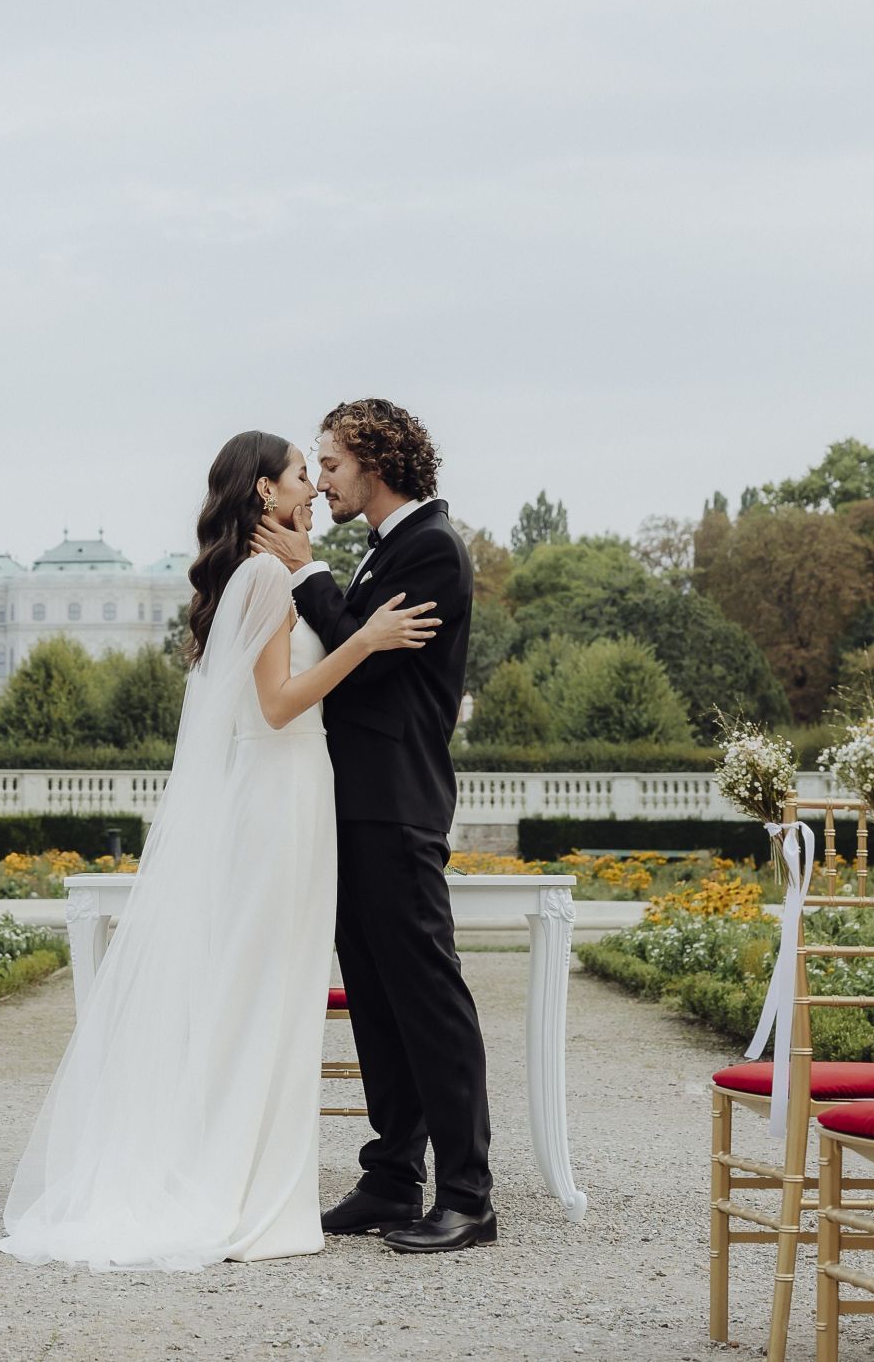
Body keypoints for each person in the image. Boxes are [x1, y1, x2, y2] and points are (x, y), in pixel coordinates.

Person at [0, 429, 441, 1271]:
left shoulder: (255, 571)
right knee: (269, 990)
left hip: (287, 794)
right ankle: (238, 1184)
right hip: (284, 793)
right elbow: (276, 705)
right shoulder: (269, 575)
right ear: (266, 493)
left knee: (266, 986)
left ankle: (237, 1170)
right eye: (302, 476)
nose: (313, 486)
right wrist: (365, 640)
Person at [251, 397, 496, 1253]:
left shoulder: (430, 546)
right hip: (355, 805)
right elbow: (357, 644)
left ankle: (468, 1193)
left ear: (375, 460)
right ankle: (393, 1176)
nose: (320, 480)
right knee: (379, 1002)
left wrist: (310, 573)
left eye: (330, 463)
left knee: (427, 997)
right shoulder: (389, 549)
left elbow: (365, 670)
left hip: (396, 802)